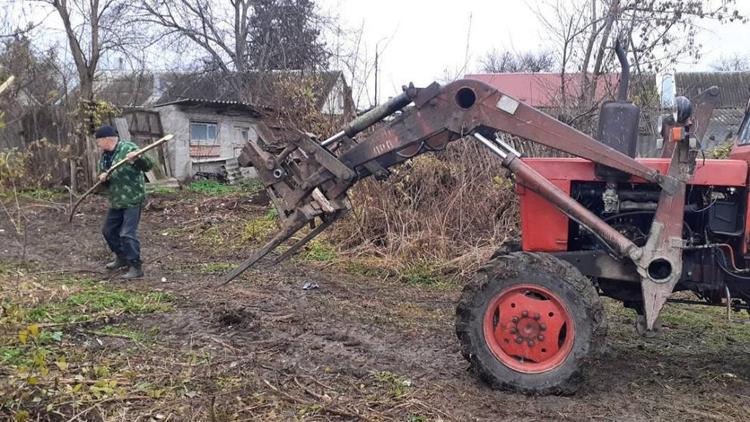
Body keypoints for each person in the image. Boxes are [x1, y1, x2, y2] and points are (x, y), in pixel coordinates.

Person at [95, 125, 154, 279]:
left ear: (106, 139)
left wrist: (137, 158)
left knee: (127, 233)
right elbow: (103, 175)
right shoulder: (105, 156)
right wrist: (103, 177)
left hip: (132, 199)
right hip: (116, 200)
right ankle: (122, 258)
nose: (98, 145)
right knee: (108, 231)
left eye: (98, 141)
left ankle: (135, 266)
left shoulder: (129, 147)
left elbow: (148, 166)